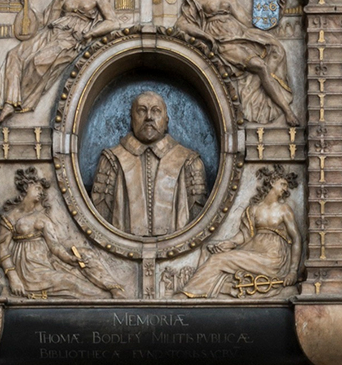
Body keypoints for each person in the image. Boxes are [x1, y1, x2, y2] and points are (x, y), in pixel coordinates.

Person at [0, 0, 118, 123]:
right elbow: (45, 21)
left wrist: (91, 33)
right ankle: (9, 102)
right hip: (52, 33)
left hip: (70, 39)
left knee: (38, 62)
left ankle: (22, 102)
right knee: (14, 54)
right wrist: (27, 4)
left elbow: (112, 22)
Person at [177, 0, 299, 126]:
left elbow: (248, 21)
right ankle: (287, 111)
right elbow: (182, 24)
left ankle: (287, 111)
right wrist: (205, 35)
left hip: (239, 36)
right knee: (260, 66)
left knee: (271, 55)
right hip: (221, 43)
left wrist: (277, 11)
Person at [0, 167, 123, 299]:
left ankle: (113, 289)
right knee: (69, 281)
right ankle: (103, 298)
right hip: (29, 271)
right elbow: (2, 247)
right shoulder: (11, 216)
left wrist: (69, 258)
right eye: (37, 188)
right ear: (26, 188)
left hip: (45, 263)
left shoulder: (42, 218)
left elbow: (54, 246)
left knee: (86, 256)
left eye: (42, 190)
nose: (41, 192)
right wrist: (13, 277)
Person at [90, 91, 206, 236]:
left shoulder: (189, 161)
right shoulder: (111, 159)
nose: (149, 117)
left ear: (166, 120)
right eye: (141, 110)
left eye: (156, 111)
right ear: (132, 119)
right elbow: (100, 222)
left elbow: (199, 223)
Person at [180, 164, 301, 298]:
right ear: (272, 182)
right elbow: (244, 235)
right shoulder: (253, 209)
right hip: (252, 253)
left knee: (218, 260)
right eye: (283, 184)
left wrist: (293, 271)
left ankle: (189, 293)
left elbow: (296, 239)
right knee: (209, 250)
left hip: (273, 258)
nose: (285, 189)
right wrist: (229, 243)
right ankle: (200, 293)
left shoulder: (284, 209)